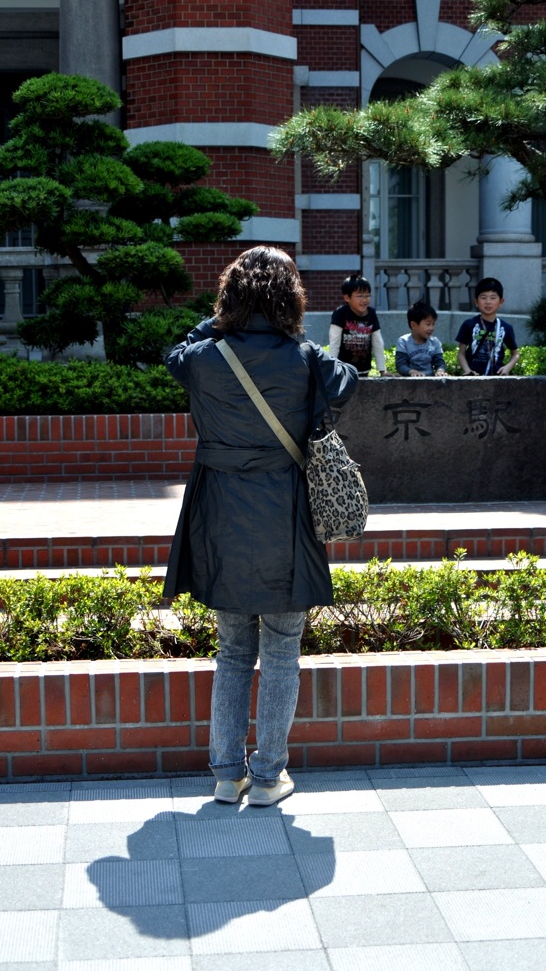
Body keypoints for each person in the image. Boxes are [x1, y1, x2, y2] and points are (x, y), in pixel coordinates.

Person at [163, 246, 358, 806]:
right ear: (289, 297)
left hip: (220, 514)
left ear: (230, 295)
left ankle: (227, 775)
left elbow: (175, 353)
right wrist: (292, 332)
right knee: (280, 650)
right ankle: (269, 776)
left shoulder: (203, 355)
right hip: (285, 516)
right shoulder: (302, 356)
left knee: (230, 651)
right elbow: (346, 383)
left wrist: (223, 319)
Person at [456, 277, 520, 376]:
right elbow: (461, 353)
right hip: (474, 377)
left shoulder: (506, 327)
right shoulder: (469, 324)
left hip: (496, 377)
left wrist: (507, 367)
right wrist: (467, 371)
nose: (488, 302)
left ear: (501, 302)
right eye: (483, 297)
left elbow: (515, 353)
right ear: (476, 302)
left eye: (493, 298)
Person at [328, 274, 390, 376]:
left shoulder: (371, 314)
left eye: (367, 295)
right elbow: (334, 342)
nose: (364, 300)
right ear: (347, 297)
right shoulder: (340, 313)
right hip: (344, 370)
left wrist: (382, 370)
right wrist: (331, 369)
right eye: (360, 296)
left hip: (364, 370)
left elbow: (377, 342)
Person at [395, 301, 448, 377]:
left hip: (430, 382)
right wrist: (412, 372)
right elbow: (401, 365)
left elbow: (439, 362)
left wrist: (440, 370)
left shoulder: (435, 342)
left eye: (433, 324)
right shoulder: (403, 341)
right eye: (428, 324)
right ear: (414, 325)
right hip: (409, 382)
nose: (431, 328)